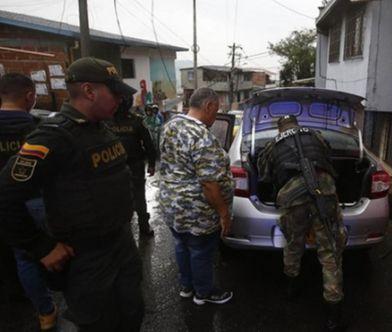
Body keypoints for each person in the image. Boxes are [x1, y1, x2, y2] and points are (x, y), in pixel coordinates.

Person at [0, 57, 144, 331]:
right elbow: (6, 195)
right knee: (97, 322)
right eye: (114, 93)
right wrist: (40, 247)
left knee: (132, 312)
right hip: (87, 256)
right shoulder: (53, 137)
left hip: (121, 244)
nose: (120, 100)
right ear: (89, 91)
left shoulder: (100, 127)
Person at [257, 115, 347, 331]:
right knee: (330, 253)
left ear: (280, 129)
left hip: (292, 196)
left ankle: (291, 287)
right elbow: (329, 157)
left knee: (294, 243)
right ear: (297, 125)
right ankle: (332, 314)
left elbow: (263, 175)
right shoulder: (315, 135)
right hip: (324, 191)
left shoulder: (272, 144)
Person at [159, 87, 234, 306]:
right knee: (201, 250)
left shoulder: (169, 126)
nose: (215, 115)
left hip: (171, 204)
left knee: (182, 245)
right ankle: (204, 293)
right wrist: (223, 213)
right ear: (209, 106)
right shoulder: (201, 135)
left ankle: (186, 287)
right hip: (196, 209)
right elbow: (209, 184)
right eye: (216, 110)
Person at [0, 73, 56, 330]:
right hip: (30, 201)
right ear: (30, 95)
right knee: (28, 255)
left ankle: (15, 298)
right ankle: (45, 312)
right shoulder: (36, 129)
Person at [106, 94, 157, 236]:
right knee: (139, 197)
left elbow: (149, 145)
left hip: (116, 168)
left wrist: (152, 163)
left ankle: (125, 230)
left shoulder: (106, 122)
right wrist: (152, 164)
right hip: (133, 167)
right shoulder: (137, 121)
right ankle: (143, 227)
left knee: (119, 198)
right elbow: (149, 145)